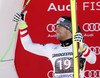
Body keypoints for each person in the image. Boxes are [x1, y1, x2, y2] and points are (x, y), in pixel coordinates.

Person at [13, 11, 96, 78]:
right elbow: (29, 46)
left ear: (69, 29)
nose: (56, 30)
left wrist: (83, 48)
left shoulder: (79, 47)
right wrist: (21, 25)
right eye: (56, 27)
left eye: (60, 27)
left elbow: (93, 60)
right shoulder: (51, 48)